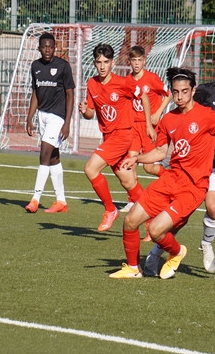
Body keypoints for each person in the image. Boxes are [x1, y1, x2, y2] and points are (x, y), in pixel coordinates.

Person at [110, 67, 215, 279]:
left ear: (193, 91)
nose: (179, 96)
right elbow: (160, 152)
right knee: (130, 221)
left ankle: (177, 252)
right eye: (176, 92)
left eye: (184, 91)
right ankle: (134, 268)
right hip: (171, 179)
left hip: (193, 187)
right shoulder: (168, 119)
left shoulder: (208, 116)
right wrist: (137, 158)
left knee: (155, 230)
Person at [143, 45, 215, 275]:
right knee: (178, 218)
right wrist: (160, 113)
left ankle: (206, 243)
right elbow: (182, 106)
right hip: (190, 168)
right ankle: (156, 252)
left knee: (213, 206)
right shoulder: (203, 92)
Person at [78, 43, 145, 232]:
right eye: (99, 62)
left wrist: (149, 123)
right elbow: (90, 113)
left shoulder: (123, 83)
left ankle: (110, 210)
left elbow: (144, 97)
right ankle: (152, 219)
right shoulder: (92, 84)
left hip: (123, 136)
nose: (102, 66)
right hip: (108, 138)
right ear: (94, 63)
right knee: (128, 182)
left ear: (113, 63)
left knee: (90, 168)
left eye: (106, 62)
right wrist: (85, 111)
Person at [23, 32, 75, 213]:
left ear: (55, 48)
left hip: (57, 117)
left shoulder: (63, 67)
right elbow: (35, 93)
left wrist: (67, 123)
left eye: (50, 47)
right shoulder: (35, 66)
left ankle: (35, 199)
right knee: (53, 158)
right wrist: (29, 117)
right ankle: (61, 201)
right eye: (44, 47)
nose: (47, 50)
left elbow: (70, 94)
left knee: (44, 154)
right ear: (39, 48)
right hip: (42, 115)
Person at [127, 45, 165, 178]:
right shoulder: (127, 80)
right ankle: (134, 192)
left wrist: (158, 113)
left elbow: (169, 95)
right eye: (134, 60)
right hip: (134, 126)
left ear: (144, 61)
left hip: (150, 126)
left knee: (148, 167)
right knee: (130, 163)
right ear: (129, 61)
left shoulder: (152, 78)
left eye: (139, 60)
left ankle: (169, 177)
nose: (136, 63)